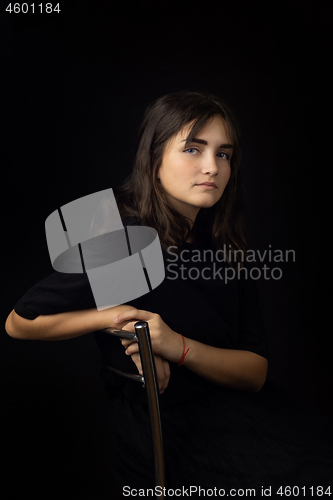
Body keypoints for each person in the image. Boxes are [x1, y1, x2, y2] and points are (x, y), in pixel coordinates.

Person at [5, 91, 332, 494]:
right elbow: (21, 322)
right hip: (165, 424)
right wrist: (118, 317)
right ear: (153, 158)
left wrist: (175, 345)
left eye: (224, 154)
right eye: (193, 149)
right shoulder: (119, 233)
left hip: (240, 412)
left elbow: (254, 372)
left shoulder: (223, 243)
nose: (212, 167)